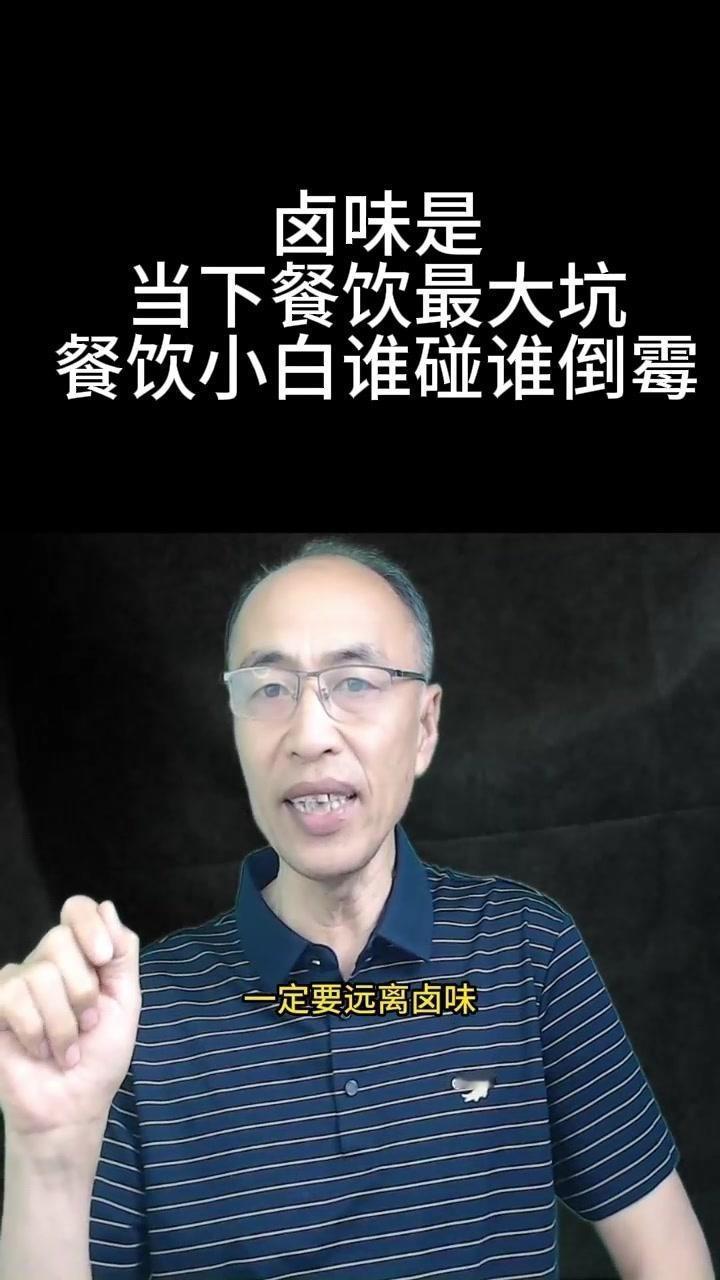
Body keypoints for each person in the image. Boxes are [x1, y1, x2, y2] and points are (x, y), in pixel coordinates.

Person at [0, 538, 714, 1280]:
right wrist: (48, 1155)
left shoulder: (525, 948)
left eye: (356, 682)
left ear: (425, 727)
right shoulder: (129, 1016)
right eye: (268, 690)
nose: (309, 735)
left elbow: (667, 1255)